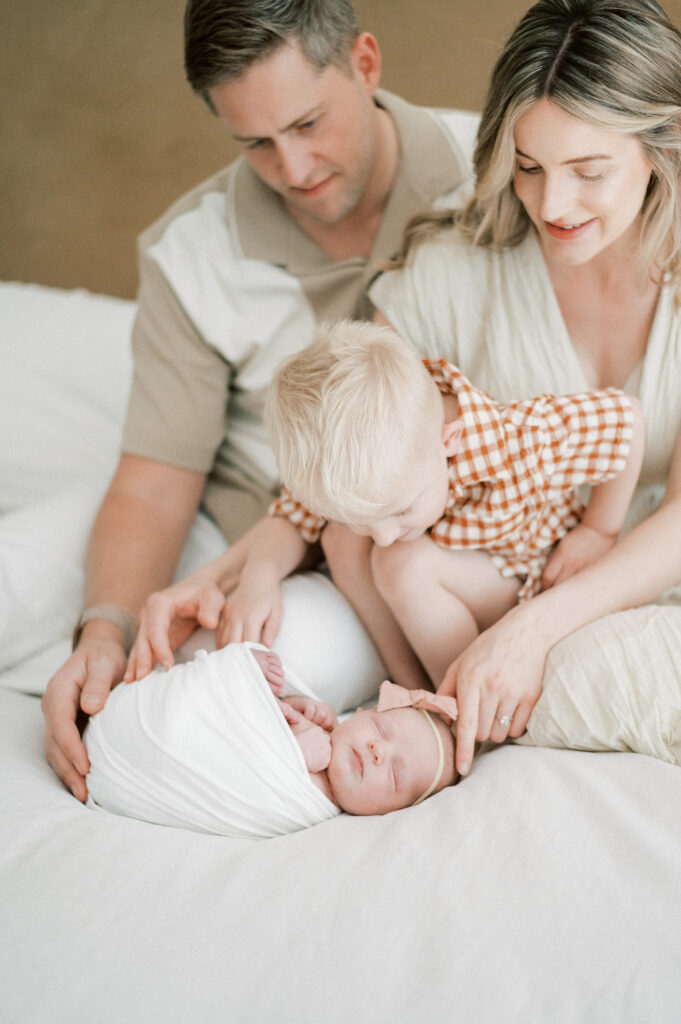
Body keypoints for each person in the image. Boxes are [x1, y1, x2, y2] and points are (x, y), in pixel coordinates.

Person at [42, 0, 475, 801]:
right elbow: (151, 479)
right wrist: (106, 627)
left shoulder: (490, 179)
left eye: (309, 123)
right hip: (242, 520)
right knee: (26, 584)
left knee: (218, 696)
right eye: (255, 144)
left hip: (381, 559)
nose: (294, 168)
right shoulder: (189, 253)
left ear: (366, 64)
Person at [366, 0, 681, 777]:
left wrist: (533, 631)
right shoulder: (451, 272)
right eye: (529, 167)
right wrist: (258, 561)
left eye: (588, 172)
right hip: (491, 601)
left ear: (661, 150)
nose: (551, 206)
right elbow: (350, 464)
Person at [126, 318, 642, 694]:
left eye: (400, 510)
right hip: (446, 579)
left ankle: (461, 701)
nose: (385, 532)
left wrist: (600, 530)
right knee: (339, 539)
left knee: (402, 560)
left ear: (451, 439)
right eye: (368, 519)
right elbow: (296, 515)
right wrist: (258, 578)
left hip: (521, 571)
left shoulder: (516, 438)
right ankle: (411, 689)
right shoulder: (364, 459)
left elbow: (628, 420)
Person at [84, 643, 458, 836]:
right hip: (157, 722)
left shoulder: (314, 806)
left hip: (138, 772)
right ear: (360, 714)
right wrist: (277, 700)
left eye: (394, 775)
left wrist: (293, 755)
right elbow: (240, 723)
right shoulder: (324, 725)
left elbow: (245, 777)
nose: (379, 752)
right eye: (380, 730)